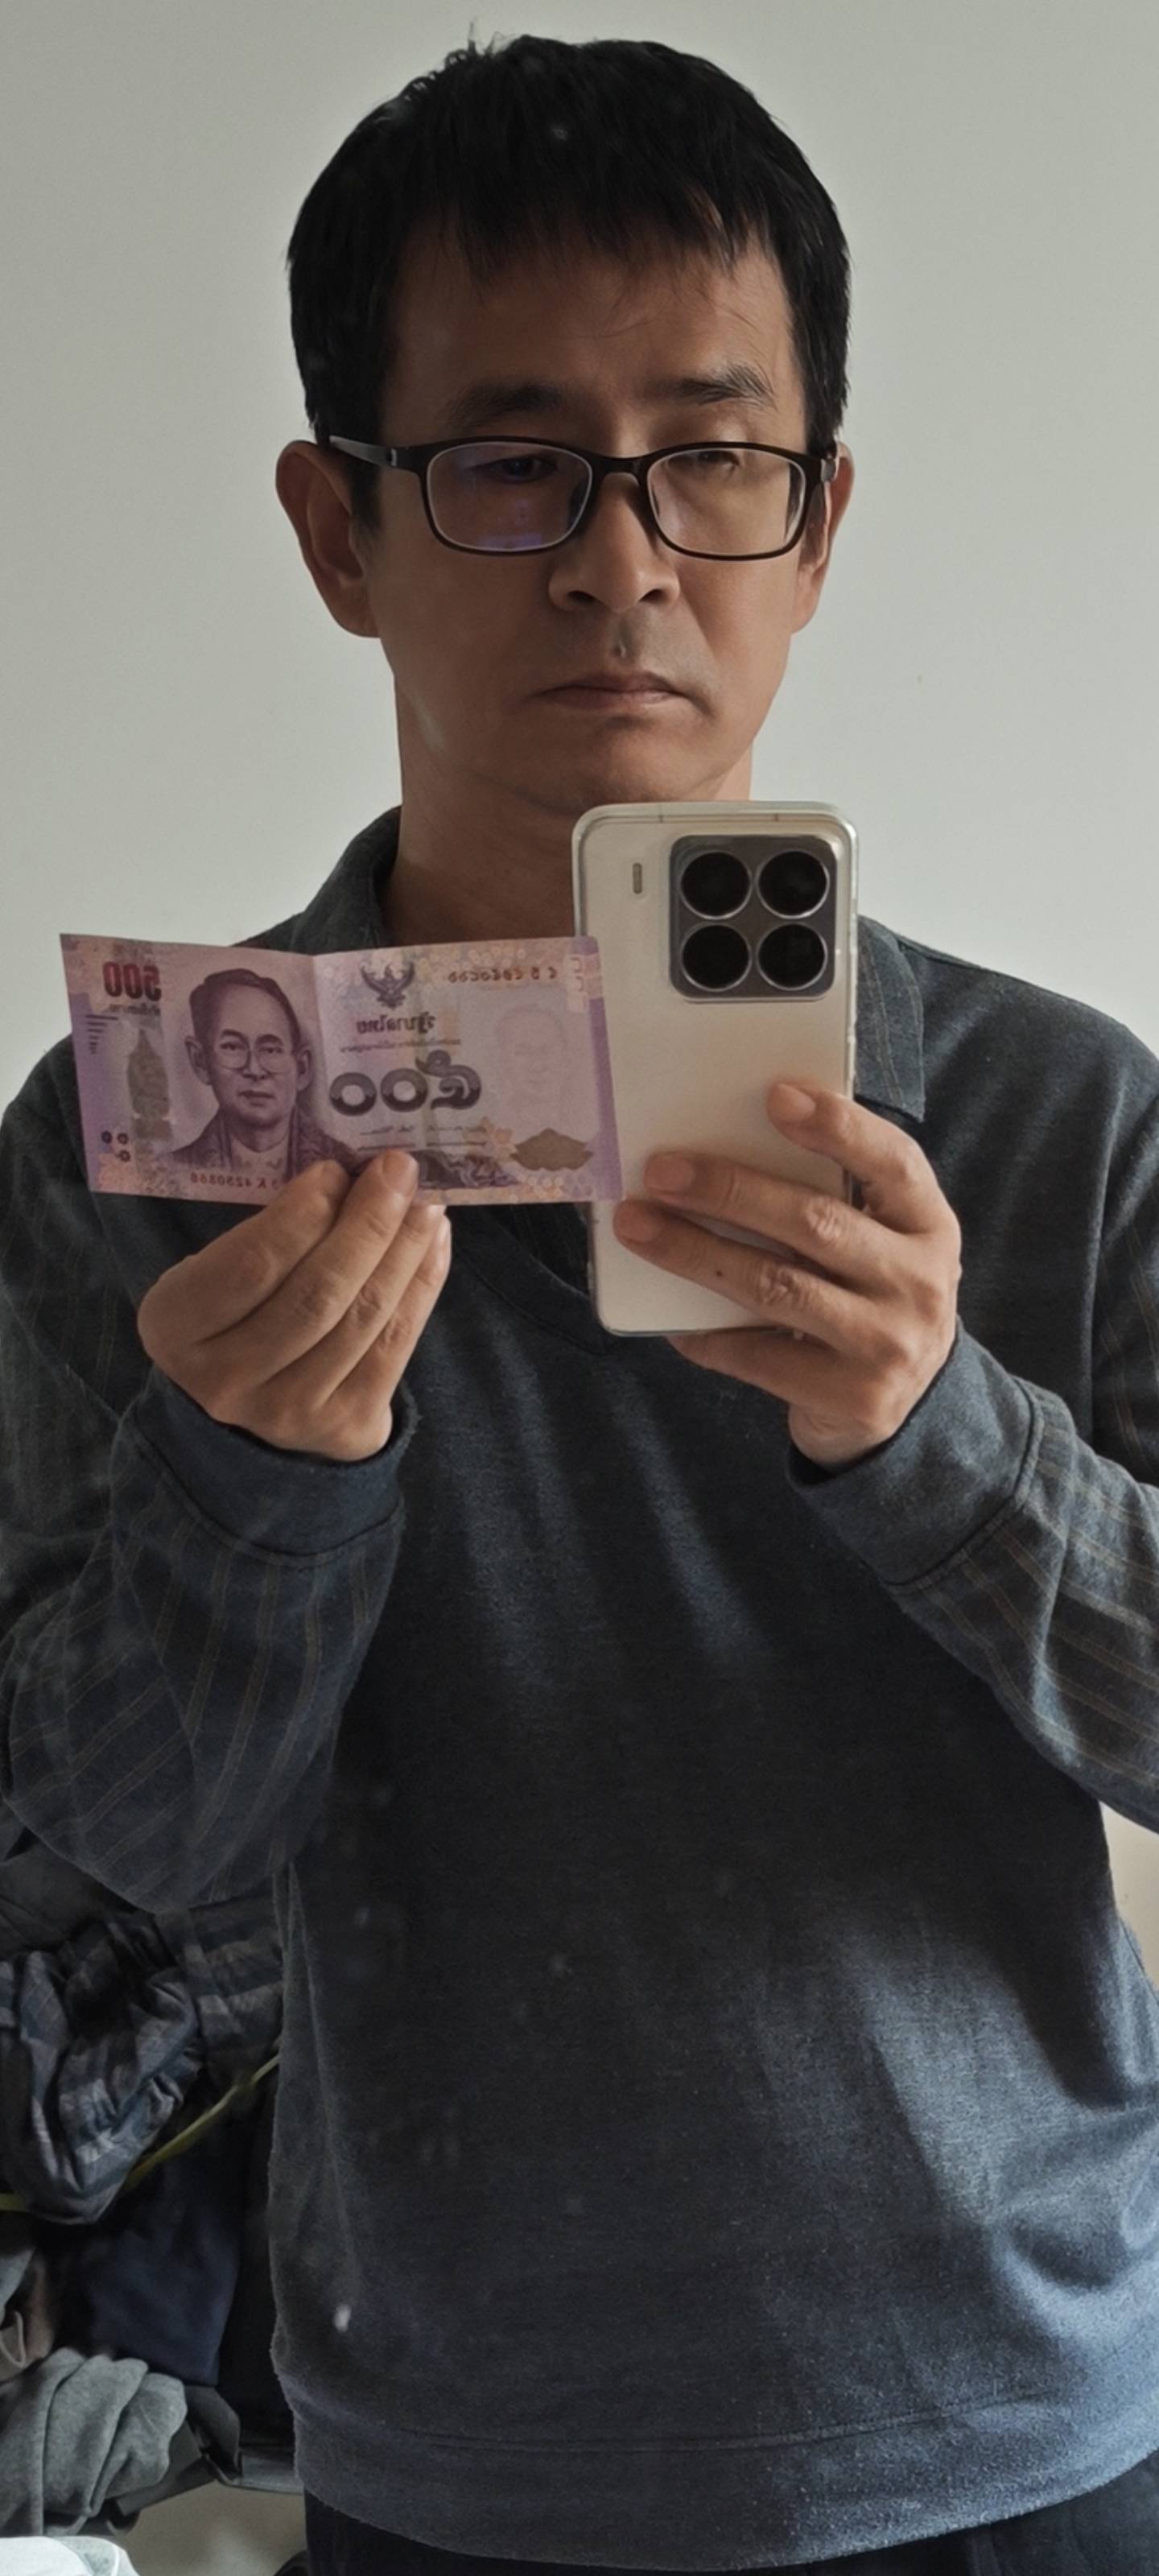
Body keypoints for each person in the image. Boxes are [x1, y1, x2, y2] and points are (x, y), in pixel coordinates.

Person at [4, 32, 1159, 2576]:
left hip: (1019, 2434)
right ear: (338, 525)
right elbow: (108, 1858)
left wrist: (942, 1440)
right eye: (512, 463)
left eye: (712, 460)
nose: (623, 560)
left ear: (817, 521)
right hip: (459, 2470)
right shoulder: (154, 1145)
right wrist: (252, 1494)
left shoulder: (1063, 1121)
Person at [164, 965, 363, 1183]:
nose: (254, 1070)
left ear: (302, 1068)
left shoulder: (352, 1168)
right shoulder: (170, 1171)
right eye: (232, 1047)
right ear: (200, 1061)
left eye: (270, 1050)